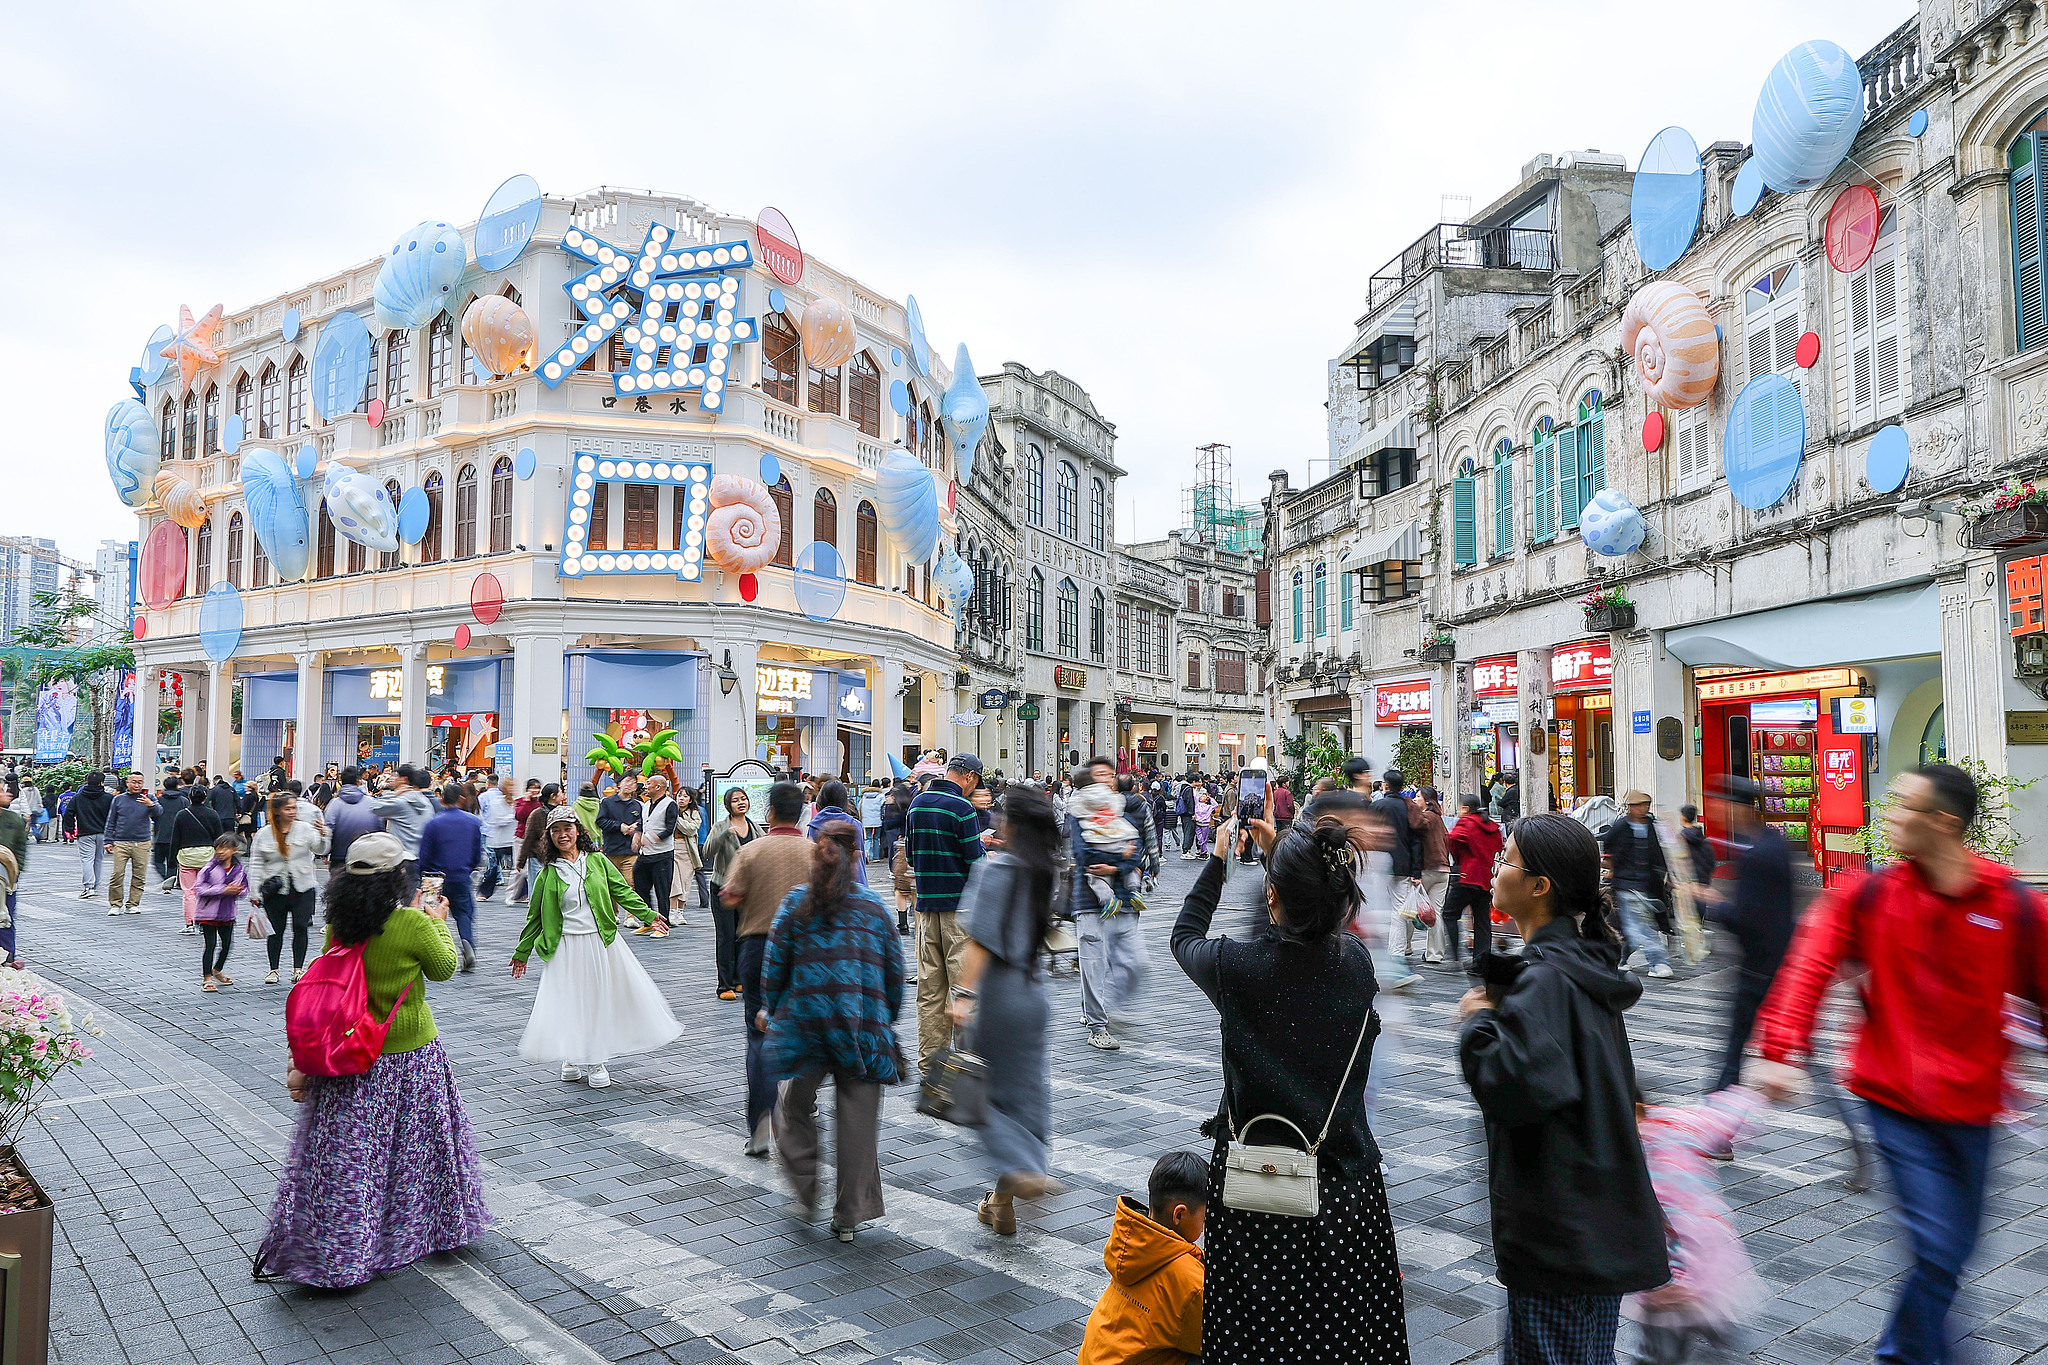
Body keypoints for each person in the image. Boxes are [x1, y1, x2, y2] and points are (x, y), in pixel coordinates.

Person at [1752, 763, 2047, 1365]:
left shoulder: (2013, 904)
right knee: (1938, 1251)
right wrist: (1782, 1050)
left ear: (1944, 822)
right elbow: (1809, 965)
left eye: (1905, 805)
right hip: (1892, 1100)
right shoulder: (1869, 894)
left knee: (1951, 1256)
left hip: (1977, 1108)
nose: (1890, 814)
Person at [1171, 810, 1408, 1364]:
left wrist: (1218, 862)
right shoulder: (1355, 963)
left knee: (1260, 1336)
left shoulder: (1238, 967)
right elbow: (1302, 942)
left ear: (1272, 898)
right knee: (1346, 1335)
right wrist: (1291, 872)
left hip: (1257, 1190)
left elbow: (1185, 936)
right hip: (1346, 1188)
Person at [1457, 813, 1669, 1365]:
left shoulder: (1550, 976)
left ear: (1538, 886)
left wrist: (1478, 1023)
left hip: (1561, 1233)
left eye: (1507, 860)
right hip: (1586, 1225)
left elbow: (1513, 1085)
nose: (1497, 868)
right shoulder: (1576, 964)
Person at [254, 831, 489, 1287]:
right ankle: (418, 1228)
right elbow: (443, 969)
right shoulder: (413, 924)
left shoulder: (339, 925)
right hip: (410, 1054)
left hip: (350, 1055)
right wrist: (437, 918)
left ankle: (348, 1243)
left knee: (357, 1157)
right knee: (417, 1150)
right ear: (398, 877)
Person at [760, 821, 905, 1243]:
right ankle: (848, 1215)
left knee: (793, 1105)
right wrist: (884, 1016)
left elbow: (774, 967)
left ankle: (806, 1188)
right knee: (858, 1121)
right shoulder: (875, 908)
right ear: (858, 855)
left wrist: (773, 1006)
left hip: (806, 1024)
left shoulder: (795, 904)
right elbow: (894, 974)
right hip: (861, 1027)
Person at [948, 784, 1061, 1233]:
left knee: (985, 1095)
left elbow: (980, 940)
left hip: (998, 995)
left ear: (1011, 824)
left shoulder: (995, 870)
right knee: (1026, 1094)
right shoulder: (1044, 870)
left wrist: (963, 996)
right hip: (1033, 994)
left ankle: (1023, 1166)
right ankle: (1001, 1204)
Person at [512, 809, 681, 1088]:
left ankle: (595, 1059)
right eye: (556, 831)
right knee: (568, 1002)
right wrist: (522, 953)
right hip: (564, 946)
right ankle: (571, 1055)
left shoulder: (598, 861)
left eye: (567, 829)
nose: (562, 835)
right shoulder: (547, 874)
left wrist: (649, 916)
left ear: (578, 830)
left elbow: (622, 891)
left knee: (596, 1000)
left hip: (599, 942)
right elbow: (535, 918)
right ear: (549, 837)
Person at [1625, 1087, 1768, 1365]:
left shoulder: (1641, 1153)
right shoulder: (1674, 1123)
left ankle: (1711, 1337)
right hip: (1700, 1265)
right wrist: (1752, 1095)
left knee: (1662, 1344)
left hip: (1674, 1274)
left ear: (1637, 1109)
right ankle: (1715, 1335)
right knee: (1698, 1324)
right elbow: (1718, 1118)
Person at [719, 783, 815, 1155]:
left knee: (758, 1033)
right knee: (802, 1026)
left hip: (758, 948)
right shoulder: (814, 853)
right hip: (804, 951)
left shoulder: (751, 850)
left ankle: (761, 1120)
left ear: (770, 812)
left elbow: (729, 896)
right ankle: (798, 1105)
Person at [1077, 1151, 1209, 1365]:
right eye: (1204, 1217)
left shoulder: (1131, 1241)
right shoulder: (1191, 1281)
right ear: (1179, 1215)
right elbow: (1214, 1339)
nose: (1205, 1227)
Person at [906, 754, 988, 1071]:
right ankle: (969, 1066)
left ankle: (930, 1066)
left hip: (925, 910)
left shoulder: (918, 803)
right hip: (960, 913)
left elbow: (912, 857)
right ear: (968, 777)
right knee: (966, 992)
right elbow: (976, 864)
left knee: (929, 993)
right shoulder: (963, 809)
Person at [1066, 758, 1149, 1051]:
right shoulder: (1078, 812)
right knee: (1093, 965)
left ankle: (1103, 1007)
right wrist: (1121, 862)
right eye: (1099, 774)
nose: (1106, 779)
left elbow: (1135, 847)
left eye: (1110, 774)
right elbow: (1084, 854)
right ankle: (1097, 1025)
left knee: (1136, 962)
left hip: (1124, 900)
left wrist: (1116, 867)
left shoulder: (1118, 810)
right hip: (1090, 901)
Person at [248, 790, 330, 985]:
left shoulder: (304, 828)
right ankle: (273, 969)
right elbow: (256, 863)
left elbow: (321, 849)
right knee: (276, 930)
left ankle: (298, 969)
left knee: (301, 927)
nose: (293, 812)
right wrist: (254, 891)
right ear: (277, 811)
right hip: (276, 890)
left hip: (303, 886)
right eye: (288, 808)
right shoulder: (265, 834)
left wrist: (323, 833)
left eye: (294, 808)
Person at [1600, 791, 1675, 979]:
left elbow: (1658, 853)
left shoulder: (1651, 826)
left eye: (1646, 804)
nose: (1644, 808)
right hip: (1627, 885)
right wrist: (1610, 867)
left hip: (1648, 884)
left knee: (1636, 926)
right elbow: (1608, 846)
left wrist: (1668, 876)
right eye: (1640, 805)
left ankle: (1620, 959)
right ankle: (1658, 962)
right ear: (1631, 808)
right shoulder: (1621, 826)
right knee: (1641, 926)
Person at [703, 786, 761, 1002]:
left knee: (742, 934)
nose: (741, 802)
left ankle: (739, 979)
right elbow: (707, 851)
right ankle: (724, 984)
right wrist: (724, 834)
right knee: (726, 936)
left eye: (743, 798)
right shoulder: (721, 826)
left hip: (746, 890)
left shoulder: (754, 827)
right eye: (735, 800)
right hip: (723, 888)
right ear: (728, 806)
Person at [419, 784, 485, 972]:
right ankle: (467, 943)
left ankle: (433, 953)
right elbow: (476, 854)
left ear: (442, 800)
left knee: (431, 916)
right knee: (464, 914)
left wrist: (422, 875)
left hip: (434, 878)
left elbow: (425, 855)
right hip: (460, 875)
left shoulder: (433, 823)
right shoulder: (472, 822)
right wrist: (468, 868)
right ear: (461, 799)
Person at [1444, 793, 1504, 970]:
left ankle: (1455, 956)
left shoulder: (1466, 822)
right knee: (1482, 920)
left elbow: (1454, 839)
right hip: (1486, 878)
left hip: (1468, 875)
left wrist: (1460, 859)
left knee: (1449, 914)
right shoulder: (1492, 826)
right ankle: (1480, 960)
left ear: (1466, 809)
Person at [1402, 787, 1450, 965]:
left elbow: (1416, 824)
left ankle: (1406, 946)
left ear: (1427, 801)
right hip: (1443, 870)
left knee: (1410, 909)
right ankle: (1435, 953)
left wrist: (1407, 803)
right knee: (1435, 913)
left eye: (1418, 797)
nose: (1415, 799)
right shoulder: (1438, 818)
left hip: (1427, 869)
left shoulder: (1428, 817)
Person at [193, 832, 247, 991]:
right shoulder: (209, 868)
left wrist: (239, 891)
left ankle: (217, 970)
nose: (221, 851)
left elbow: (245, 889)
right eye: (218, 848)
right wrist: (223, 890)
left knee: (227, 945)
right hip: (208, 914)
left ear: (234, 850)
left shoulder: (239, 869)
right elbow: (199, 888)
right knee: (210, 945)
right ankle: (207, 978)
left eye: (225, 848)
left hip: (227, 914)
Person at [371, 765, 436, 897]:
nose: (392, 779)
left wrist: (395, 794)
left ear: (404, 780)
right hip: (421, 855)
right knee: (416, 895)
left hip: (404, 856)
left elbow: (374, 807)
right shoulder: (424, 801)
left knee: (406, 898)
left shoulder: (401, 802)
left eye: (395, 776)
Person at [171, 784, 227, 935]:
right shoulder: (213, 814)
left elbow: (175, 838)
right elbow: (219, 838)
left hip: (186, 857)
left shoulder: (182, 815)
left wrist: (171, 859)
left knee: (189, 892)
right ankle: (205, 923)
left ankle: (190, 924)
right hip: (207, 856)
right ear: (205, 798)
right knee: (206, 890)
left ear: (189, 797)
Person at [103, 771, 159, 915]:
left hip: (142, 842)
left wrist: (150, 805)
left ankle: (133, 904)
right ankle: (115, 904)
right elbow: (111, 820)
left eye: (139, 782)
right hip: (121, 842)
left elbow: (159, 813)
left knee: (139, 875)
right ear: (127, 783)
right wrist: (108, 840)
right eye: (133, 781)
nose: (136, 785)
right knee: (117, 874)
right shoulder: (119, 799)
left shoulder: (148, 798)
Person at [804, 780, 868, 887]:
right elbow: (860, 858)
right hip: (855, 883)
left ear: (821, 799)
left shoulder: (814, 826)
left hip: (824, 886)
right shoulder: (855, 825)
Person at [324, 767, 384, 870]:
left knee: (340, 885)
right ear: (358, 781)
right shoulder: (371, 802)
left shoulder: (334, 804)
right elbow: (380, 828)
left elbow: (328, 830)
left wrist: (325, 852)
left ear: (342, 782)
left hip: (340, 857)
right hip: (367, 857)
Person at [64, 770, 112, 900]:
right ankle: (95, 885)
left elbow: (68, 813)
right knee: (98, 860)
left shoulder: (78, 797)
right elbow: (114, 816)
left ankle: (88, 887)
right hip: (103, 833)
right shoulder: (108, 798)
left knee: (87, 859)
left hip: (85, 833)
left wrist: (70, 829)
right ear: (102, 783)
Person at [595, 772, 643, 892]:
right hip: (612, 849)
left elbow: (643, 823)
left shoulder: (637, 805)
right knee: (611, 886)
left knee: (630, 884)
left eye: (633, 783)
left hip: (630, 851)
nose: (629, 785)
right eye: (626, 781)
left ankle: (631, 911)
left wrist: (636, 828)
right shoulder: (607, 802)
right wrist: (619, 826)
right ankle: (612, 911)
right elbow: (600, 821)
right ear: (618, 784)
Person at [477, 776, 517, 902]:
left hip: (512, 839)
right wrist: (512, 816)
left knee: (519, 868)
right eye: (509, 786)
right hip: (498, 840)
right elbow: (496, 820)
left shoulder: (515, 802)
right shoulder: (497, 802)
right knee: (493, 867)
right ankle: (483, 892)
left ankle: (521, 893)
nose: (512, 789)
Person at [671, 783, 708, 919]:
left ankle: (680, 912)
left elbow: (691, 829)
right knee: (675, 881)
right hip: (671, 848)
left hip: (688, 850)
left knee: (686, 881)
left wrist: (677, 819)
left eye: (685, 796)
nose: (681, 798)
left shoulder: (695, 813)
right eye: (679, 795)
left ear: (690, 800)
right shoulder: (669, 810)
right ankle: (672, 911)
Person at [0, 785, 26, 967]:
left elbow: (21, 848)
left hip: (6, 879)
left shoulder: (13, 819)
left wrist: (15, 873)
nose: (6, 794)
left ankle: (8, 957)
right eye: (1, 791)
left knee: (5, 917)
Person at [508, 779, 544, 903]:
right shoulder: (520, 801)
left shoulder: (540, 803)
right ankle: (511, 895)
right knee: (519, 870)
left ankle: (525, 895)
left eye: (538, 788)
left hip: (535, 840)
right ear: (527, 789)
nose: (535, 790)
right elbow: (519, 816)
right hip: (521, 838)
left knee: (532, 870)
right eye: (533, 787)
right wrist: (526, 801)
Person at [152, 778, 189, 895]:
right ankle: (170, 880)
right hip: (177, 836)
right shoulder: (183, 801)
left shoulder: (159, 800)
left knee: (158, 861)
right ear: (177, 785)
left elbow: (154, 815)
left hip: (160, 835)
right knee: (172, 862)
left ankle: (166, 878)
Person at [1677, 804, 1715, 892]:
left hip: (1690, 880)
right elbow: (1710, 857)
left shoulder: (1683, 837)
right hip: (1703, 878)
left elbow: (1681, 859)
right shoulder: (1700, 834)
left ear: (1683, 817)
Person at [1174, 777, 1196, 857]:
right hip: (1188, 814)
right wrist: (1192, 813)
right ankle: (1186, 850)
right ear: (1193, 781)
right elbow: (1189, 801)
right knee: (1188, 832)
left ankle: (1186, 849)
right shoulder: (1189, 789)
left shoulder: (1183, 787)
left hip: (1183, 813)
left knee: (1186, 830)